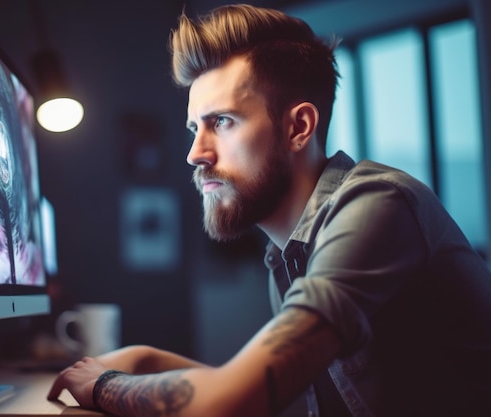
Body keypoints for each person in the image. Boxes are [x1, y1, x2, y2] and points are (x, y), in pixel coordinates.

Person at [48, 4, 491, 416]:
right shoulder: (287, 255)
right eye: (193, 128)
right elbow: (265, 389)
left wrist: (105, 385)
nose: (195, 154)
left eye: (221, 122)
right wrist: (144, 357)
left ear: (298, 127)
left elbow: (237, 398)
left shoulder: (376, 206)